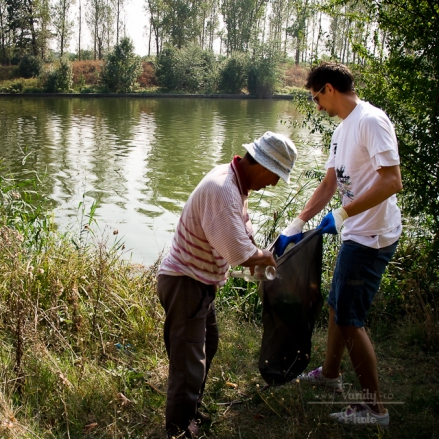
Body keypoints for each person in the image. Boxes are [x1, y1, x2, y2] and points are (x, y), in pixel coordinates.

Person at [275, 62, 403, 427]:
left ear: (329, 89)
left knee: (349, 319)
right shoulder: (342, 130)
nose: (317, 107)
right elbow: (330, 184)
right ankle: (330, 375)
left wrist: (344, 215)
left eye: (317, 98)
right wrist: (298, 223)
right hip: (355, 234)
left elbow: (392, 181)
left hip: (372, 237)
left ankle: (375, 410)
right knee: (336, 306)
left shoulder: (371, 121)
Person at [158, 131, 297, 438]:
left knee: (208, 345)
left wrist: (261, 254)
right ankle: (179, 429)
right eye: (276, 176)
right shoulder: (223, 189)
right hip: (185, 283)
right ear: (263, 165)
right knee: (188, 362)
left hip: (199, 282)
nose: (273, 184)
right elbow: (238, 254)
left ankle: (189, 409)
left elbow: (242, 237)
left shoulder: (236, 184)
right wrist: (266, 257)